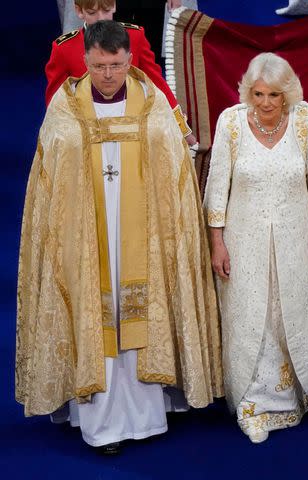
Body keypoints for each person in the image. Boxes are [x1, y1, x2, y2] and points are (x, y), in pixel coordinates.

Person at [16, 20, 223, 455]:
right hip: (86, 239)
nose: (108, 75)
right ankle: (100, 422)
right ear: (85, 62)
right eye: (99, 67)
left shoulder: (152, 104)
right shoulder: (65, 107)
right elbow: (48, 178)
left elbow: (176, 180)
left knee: (140, 311)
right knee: (98, 316)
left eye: (115, 65)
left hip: (142, 238)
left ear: (129, 60)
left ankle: (147, 413)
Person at [204, 53, 308, 444]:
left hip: (299, 240)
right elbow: (216, 189)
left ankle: (301, 390)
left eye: (275, 94)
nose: (266, 103)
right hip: (245, 243)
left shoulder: (305, 119)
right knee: (253, 314)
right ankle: (254, 402)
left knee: (292, 313)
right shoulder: (231, 123)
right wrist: (217, 243)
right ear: (248, 92)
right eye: (258, 94)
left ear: (288, 93)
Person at [45, 0, 196, 144]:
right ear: (79, 11)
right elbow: (55, 101)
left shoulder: (135, 37)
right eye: (92, 12)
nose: (100, 19)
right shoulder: (64, 48)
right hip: (87, 136)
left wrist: (182, 129)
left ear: (115, 6)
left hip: (132, 133)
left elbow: (158, 84)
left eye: (106, 11)